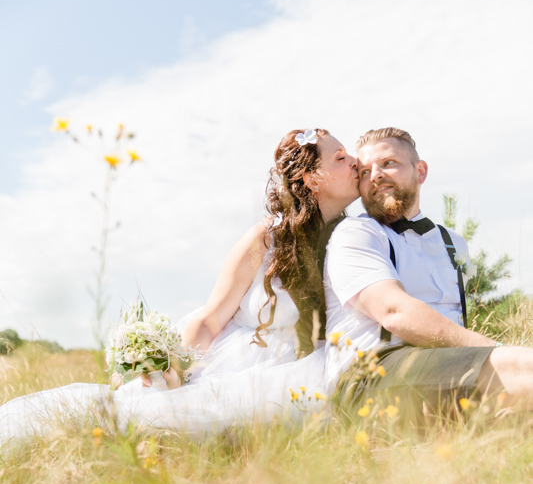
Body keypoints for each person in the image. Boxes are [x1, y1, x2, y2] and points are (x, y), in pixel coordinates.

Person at [0, 128, 359, 447]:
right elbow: (210, 318)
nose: (356, 162)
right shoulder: (266, 238)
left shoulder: (356, 240)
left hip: (305, 371)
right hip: (240, 361)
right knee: (153, 417)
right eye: (341, 157)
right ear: (313, 179)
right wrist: (176, 370)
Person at [324, 126, 533, 414]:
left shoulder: (453, 243)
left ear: (420, 172)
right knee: (522, 368)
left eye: (388, 163)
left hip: (448, 366)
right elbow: (395, 313)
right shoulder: (356, 233)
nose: (375, 176)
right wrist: (494, 350)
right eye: (364, 172)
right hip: (372, 375)